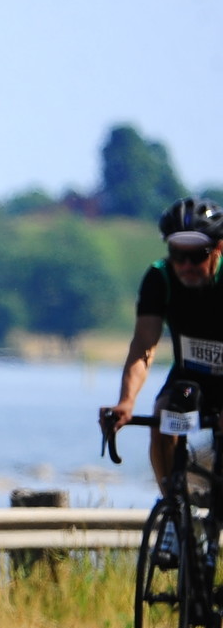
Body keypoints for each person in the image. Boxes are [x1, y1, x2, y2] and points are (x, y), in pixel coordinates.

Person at [105, 198, 223, 513]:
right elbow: (143, 346)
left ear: (218, 248)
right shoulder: (160, 278)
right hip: (190, 379)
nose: (186, 266)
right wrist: (126, 402)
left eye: (196, 255)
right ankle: (174, 510)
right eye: (177, 255)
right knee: (162, 419)